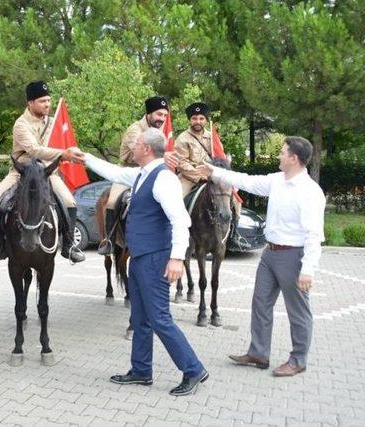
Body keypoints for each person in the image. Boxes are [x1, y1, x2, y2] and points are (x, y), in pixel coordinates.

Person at [83, 128, 209, 396]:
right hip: (140, 257)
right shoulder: (142, 174)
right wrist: (83, 157)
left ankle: (193, 369)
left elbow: (180, 220)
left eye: (137, 143)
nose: (133, 146)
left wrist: (176, 258)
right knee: (139, 317)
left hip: (156, 258)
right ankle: (141, 370)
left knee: (160, 318)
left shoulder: (163, 178)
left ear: (148, 149)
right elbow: (114, 172)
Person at [194, 136, 325, 377]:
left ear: (294, 158)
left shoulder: (310, 192)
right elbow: (246, 181)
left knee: (298, 311)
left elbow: (314, 234)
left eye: (283, 152)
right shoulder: (277, 180)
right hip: (270, 254)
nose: (279, 156)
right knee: (260, 303)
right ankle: (258, 353)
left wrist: (308, 269)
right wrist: (213, 170)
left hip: (293, 257)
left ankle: (298, 360)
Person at [0, 81, 86, 265]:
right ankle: (0, 247)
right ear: (30, 103)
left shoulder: (54, 123)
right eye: (42, 101)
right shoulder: (20, 124)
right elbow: (34, 150)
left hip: (47, 173)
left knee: (69, 201)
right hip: (21, 173)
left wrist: (71, 151)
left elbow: (61, 143)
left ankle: (68, 245)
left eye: (48, 100)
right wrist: (63, 154)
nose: (47, 104)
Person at [97, 96, 169, 256]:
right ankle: (108, 240)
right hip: (128, 171)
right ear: (149, 114)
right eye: (159, 115)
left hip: (150, 172)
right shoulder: (135, 130)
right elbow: (144, 153)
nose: (162, 119)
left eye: (165, 116)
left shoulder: (160, 131)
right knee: (112, 201)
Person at [174, 102, 246, 246]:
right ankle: (177, 233)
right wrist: (198, 175)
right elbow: (181, 162)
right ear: (190, 120)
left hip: (213, 177)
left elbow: (220, 158)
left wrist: (220, 174)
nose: (198, 121)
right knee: (176, 200)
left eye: (201, 118)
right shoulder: (182, 138)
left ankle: (233, 232)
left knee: (236, 200)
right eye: (194, 118)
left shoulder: (212, 137)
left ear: (206, 120)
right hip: (190, 177)